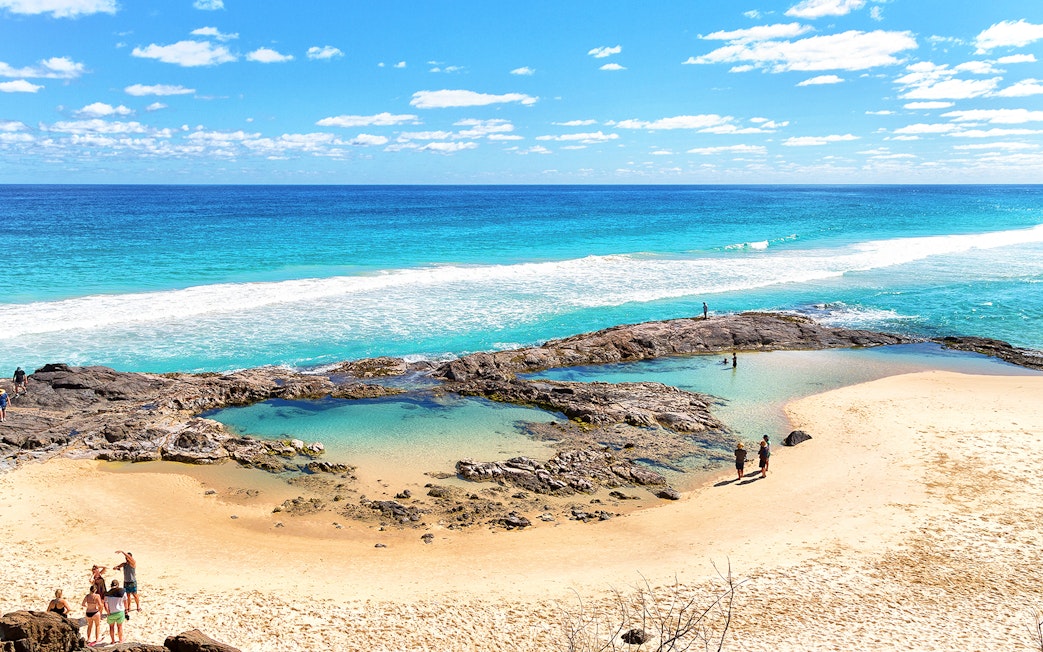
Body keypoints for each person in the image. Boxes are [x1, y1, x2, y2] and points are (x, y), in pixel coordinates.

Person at [105, 579, 127, 645]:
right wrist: (126, 609)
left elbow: (105, 604)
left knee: (111, 627)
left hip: (111, 612)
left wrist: (107, 611)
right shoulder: (122, 592)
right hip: (120, 611)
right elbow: (125, 601)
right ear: (117, 585)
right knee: (119, 626)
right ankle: (120, 640)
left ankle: (113, 641)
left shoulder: (107, 593)